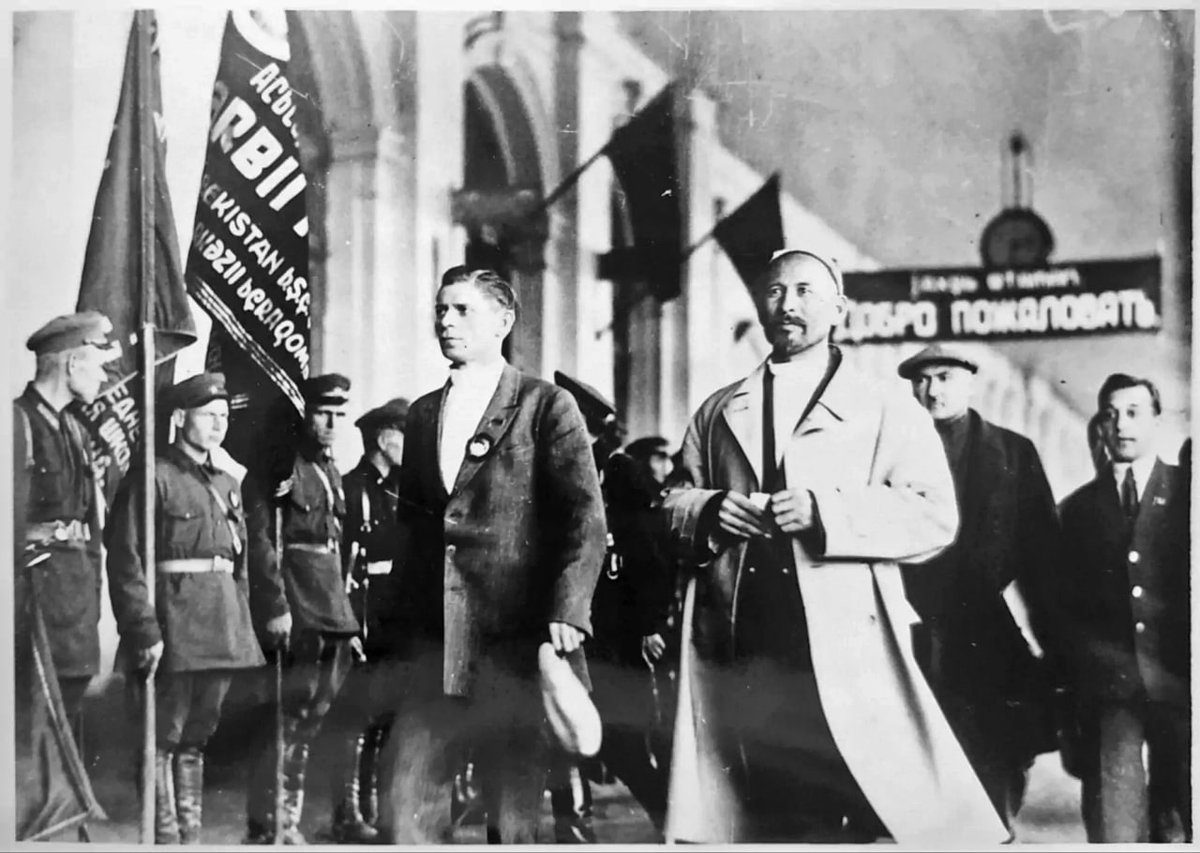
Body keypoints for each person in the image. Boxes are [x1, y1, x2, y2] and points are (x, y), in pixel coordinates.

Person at [659, 249, 1008, 845]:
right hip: (745, 634)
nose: (788, 305)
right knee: (760, 795)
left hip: (844, 639)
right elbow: (670, 502)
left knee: (842, 793)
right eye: (774, 292)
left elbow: (933, 514)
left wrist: (827, 513)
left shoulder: (884, 404)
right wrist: (713, 509)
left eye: (804, 292)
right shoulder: (719, 409)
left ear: (839, 309)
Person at [377, 266, 606, 844]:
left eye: (461, 310)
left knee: (512, 809)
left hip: (515, 640)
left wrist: (568, 609)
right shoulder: (423, 413)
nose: (445, 321)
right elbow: (413, 528)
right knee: (407, 797)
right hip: (436, 644)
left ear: (503, 322)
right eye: (440, 310)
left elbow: (585, 517)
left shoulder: (546, 407)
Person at [897, 343, 1061, 829]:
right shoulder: (891, 453)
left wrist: (1047, 636)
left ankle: (999, 829)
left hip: (989, 625)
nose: (932, 390)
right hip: (915, 623)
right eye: (922, 381)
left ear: (970, 381)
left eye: (945, 377)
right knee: (924, 753)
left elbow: (1043, 553)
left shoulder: (1013, 451)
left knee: (997, 749)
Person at [105, 373, 265, 843]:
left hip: (220, 626)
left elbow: (240, 565)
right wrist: (143, 629)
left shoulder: (228, 483)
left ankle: (190, 836)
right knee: (162, 738)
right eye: (208, 415)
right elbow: (126, 557)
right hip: (173, 626)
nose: (219, 425)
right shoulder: (153, 476)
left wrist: (242, 626)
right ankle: (166, 837)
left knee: (197, 738)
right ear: (179, 418)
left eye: (225, 417)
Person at [1057, 374, 1190, 843]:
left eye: (1134, 413)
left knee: (1185, 817)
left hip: (1181, 682)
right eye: (1111, 415)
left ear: (1157, 420)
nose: (1122, 425)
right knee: (1116, 820)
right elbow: (1065, 608)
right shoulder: (1076, 511)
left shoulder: (1187, 495)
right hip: (1112, 688)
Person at [242, 373, 361, 845]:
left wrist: (347, 615)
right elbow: (262, 542)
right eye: (321, 413)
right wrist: (275, 604)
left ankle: (285, 816)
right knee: (286, 719)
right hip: (298, 606)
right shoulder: (276, 470)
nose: (331, 423)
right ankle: (270, 821)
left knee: (310, 719)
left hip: (331, 610)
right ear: (303, 414)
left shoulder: (329, 470)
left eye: (338, 415)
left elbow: (337, 550)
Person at [14, 311, 118, 840]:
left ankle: (64, 821)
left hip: (74, 598)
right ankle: (36, 828)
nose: (104, 376)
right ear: (72, 360)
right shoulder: (18, 425)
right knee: (31, 719)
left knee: (69, 707)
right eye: (99, 362)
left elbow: (91, 526)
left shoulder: (76, 429)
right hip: (33, 600)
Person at [327, 397, 410, 842]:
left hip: (392, 619)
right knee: (355, 718)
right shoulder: (349, 488)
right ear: (383, 439)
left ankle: (377, 810)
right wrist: (348, 625)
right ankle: (348, 812)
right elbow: (340, 565)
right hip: (361, 617)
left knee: (386, 719)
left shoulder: (399, 488)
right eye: (404, 434)